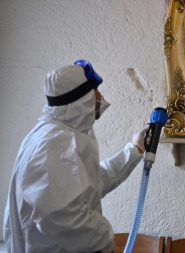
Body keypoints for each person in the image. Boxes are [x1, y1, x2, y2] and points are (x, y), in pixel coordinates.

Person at [3, 60, 149, 253]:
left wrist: (135, 149)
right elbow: (59, 213)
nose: (100, 96)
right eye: (95, 90)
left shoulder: (60, 133)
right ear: (83, 98)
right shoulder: (56, 142)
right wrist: (102, 240)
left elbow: (91, 184)